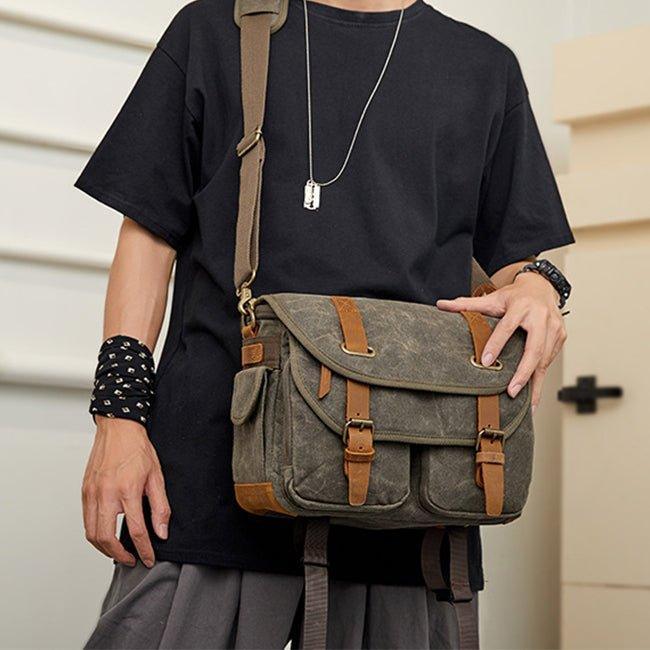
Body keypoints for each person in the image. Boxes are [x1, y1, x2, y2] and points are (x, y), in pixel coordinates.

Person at [76, 0, 575, 648]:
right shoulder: (213, 29)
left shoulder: (485, 67)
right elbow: (148, 234)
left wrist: (540, 286)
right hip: (209, 483)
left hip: (412, 505)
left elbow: (520, 259)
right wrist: (118, 418)